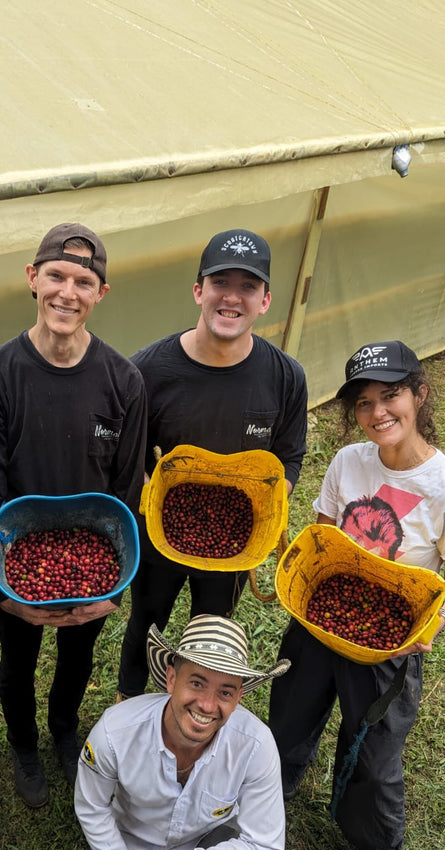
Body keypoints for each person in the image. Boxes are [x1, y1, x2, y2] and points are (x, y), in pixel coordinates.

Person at [268, 340, 445, 850]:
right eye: (364, 403)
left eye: (390, 396)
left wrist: (434, 623)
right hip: (321, 620)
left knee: (376, 753)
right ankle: (273, 792)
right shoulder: (349, 462)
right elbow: (322, 534)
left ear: (419, 394)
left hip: (388, 636)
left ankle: (382, 846)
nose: (378, 413)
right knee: (289, 713)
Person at [0, 223, 147, 808]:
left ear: (101, 293)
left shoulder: (124, 381)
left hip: (93, 562)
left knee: (78, 653)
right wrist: (6, 590)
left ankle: (64, 730)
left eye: (83, 282)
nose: (68, 292)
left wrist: (113, 587)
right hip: (20, 562)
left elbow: (125, 495)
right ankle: (23, 744)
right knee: (17, 662)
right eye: (57, 276)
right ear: (32, 278)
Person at [57, 614, 291, 850]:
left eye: (226, 692)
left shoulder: (257, 744)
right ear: (171, 678)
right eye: (197, 682)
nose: (207, 705)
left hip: (213, 836)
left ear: (239, 698)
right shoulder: (115, 732)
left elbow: (265, 849)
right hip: (131, 838)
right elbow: (92, 809)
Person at [118, 228, 308, 699]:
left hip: (235, 538)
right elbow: (127, 455)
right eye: (221, 281)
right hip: (161, 528)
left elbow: (289, 455)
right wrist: (150, 498)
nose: (232, 297)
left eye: (248, 286)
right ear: (198, 290)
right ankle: (130, 699)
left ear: (266, 301)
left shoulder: (285, 376)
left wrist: (271, 501)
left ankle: (194, 704)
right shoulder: (148, 371)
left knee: (213, 624)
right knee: (147, 617)